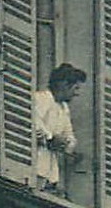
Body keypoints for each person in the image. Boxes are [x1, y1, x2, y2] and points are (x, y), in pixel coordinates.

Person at [33, 64, 85, 195]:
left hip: (49, 171)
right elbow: (33, 121)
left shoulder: (63, 108)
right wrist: (50, 138)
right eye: (75, 88)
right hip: (35, 163)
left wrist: (66, 143)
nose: (77, 93)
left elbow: (70, 136)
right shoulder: (41, 98)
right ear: (64, 84)